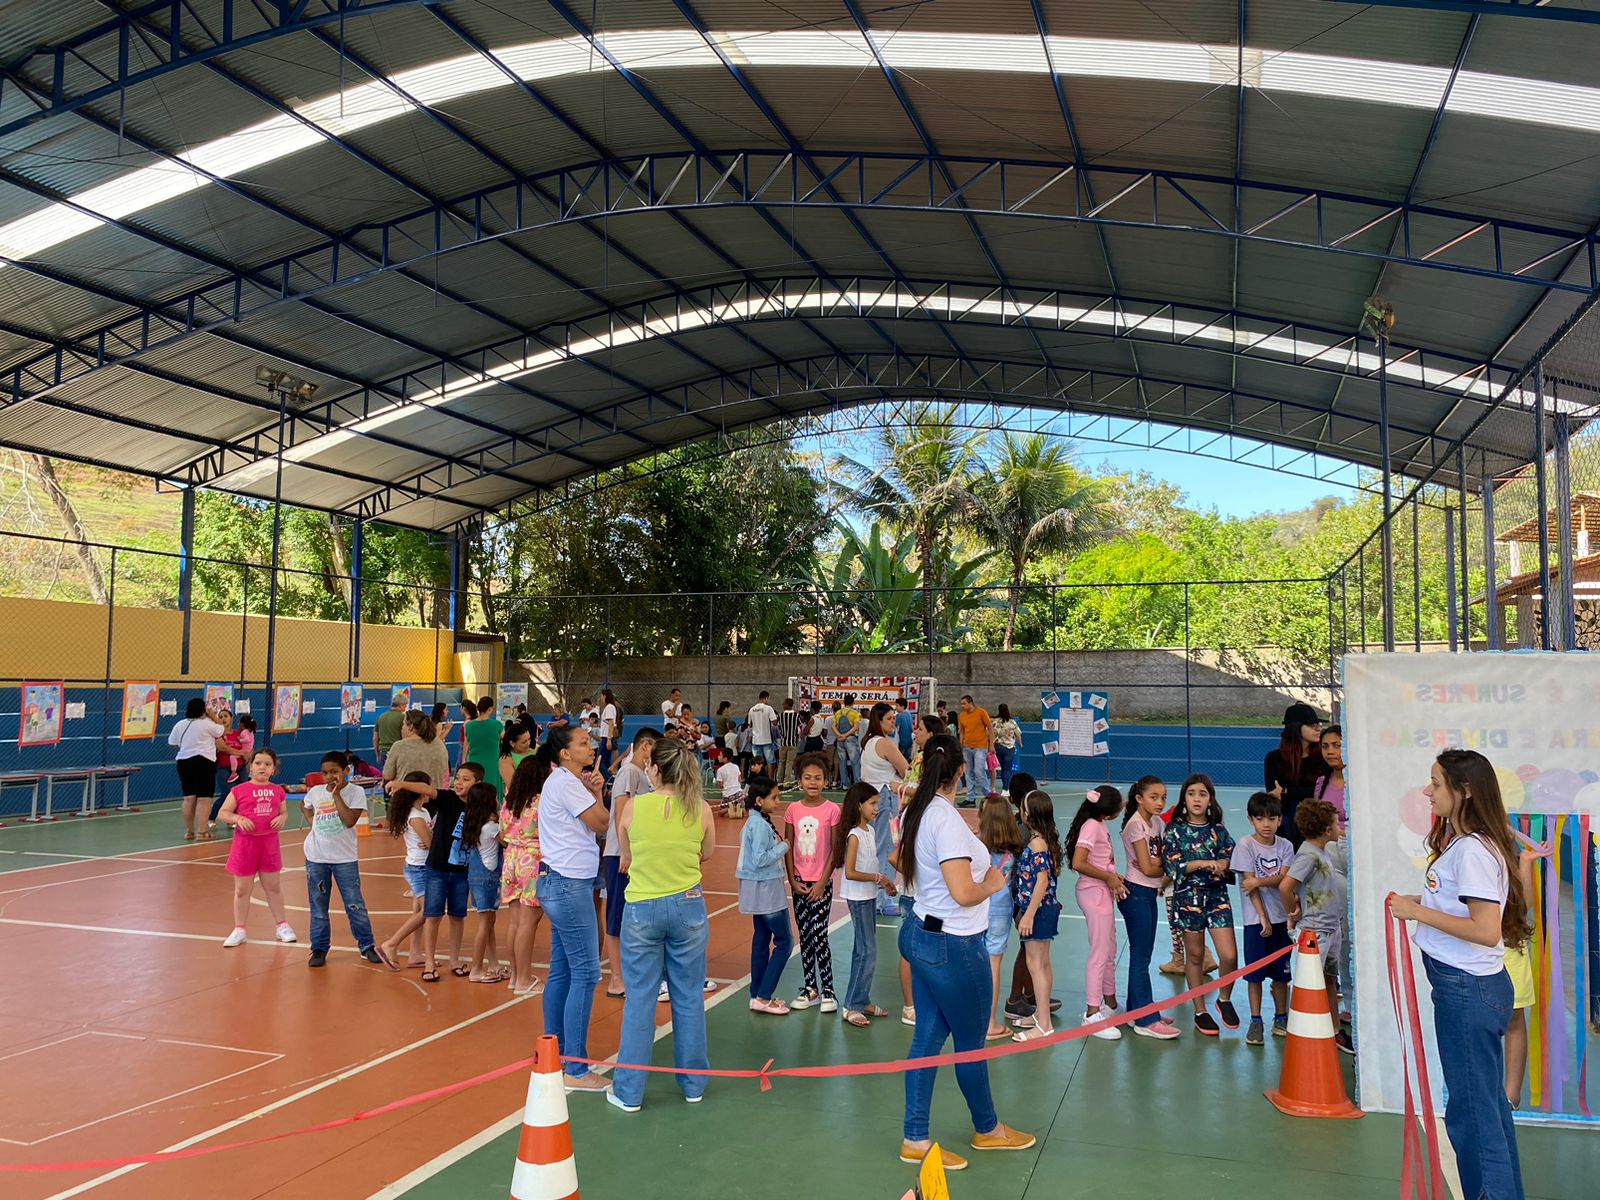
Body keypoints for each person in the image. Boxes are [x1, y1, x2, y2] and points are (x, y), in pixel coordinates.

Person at [1388, 750, 1528, 1200]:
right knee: (1486, 1109)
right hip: (1470, 988)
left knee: (1472, 1115)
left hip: (1467, 990)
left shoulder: (1472, 850)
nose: (1427, 791)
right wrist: (1425, 903)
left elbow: (1486, 930)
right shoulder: (1468, 843)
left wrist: (1416, 912)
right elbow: (1469, 909)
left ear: (1464, 790)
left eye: (1436, 783)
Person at [895, 733, 1034, 1170]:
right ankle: (987, 1129)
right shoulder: (945, 820)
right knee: (971, 1044)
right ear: (960, 770)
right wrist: (992, 881)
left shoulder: (918, 809)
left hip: (921, 933)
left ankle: (915, 1138)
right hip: (953, 945)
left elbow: (902, 861)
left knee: (927, 1037)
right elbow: (963, 892)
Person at [607, 736, 717, 1112]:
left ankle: (629, 1091)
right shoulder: (700, 808)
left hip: (643, 907)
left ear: (654, 769)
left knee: (640, 999)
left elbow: (627, 854)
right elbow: (706, 852)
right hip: (688, 906)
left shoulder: (633, 808)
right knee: (688, 996)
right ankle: (693, 1084)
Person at [534, 727, 611, 1094]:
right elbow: (601, 823)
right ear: (564, 754)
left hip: (561, 883)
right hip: (568, 885)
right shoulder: (565, 783)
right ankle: (576, 1068)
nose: (590, 746)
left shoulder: (566, 783)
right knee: (585, 973)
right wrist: (595, 795)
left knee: (563, 970)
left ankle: (555, 1055)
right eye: (583, 743)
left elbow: (596, 821)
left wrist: (595, 791)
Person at [1163, 773, 1239, 1036]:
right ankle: (1200, 1011)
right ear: (1184, 798)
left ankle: (1224, 999)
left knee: (1229, 955)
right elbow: (1172, 866)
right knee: (1194, 956)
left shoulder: (1219, 830)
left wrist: (1223, 864)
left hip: (1217, 898)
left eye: (1202, 794)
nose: (1197, 799)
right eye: (1191, 793)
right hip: (1188, 899)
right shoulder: (1174, 829)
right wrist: (1200, 864)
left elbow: (1231, 856)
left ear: (1210, 799)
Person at [1279, 797, 1352, 1054]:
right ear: (1326, 829)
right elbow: (1286, 886)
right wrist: (1293, 912)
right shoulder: (1308, 855)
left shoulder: (1322, 852)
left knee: (1329, 979)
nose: (1339, 827)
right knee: (1308, 984)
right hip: (1314, 932)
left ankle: (1333, 1031)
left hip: (1331, 928)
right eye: (1336, 824)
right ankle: (1303, 1033)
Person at [301, 751, 380, 968]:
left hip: (344, 858)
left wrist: (336, 796)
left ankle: (367, 945)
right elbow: (305, 806)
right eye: (325, 773)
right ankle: (319, 948)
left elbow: (349, 820)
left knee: (354, 904)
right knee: (318, 905)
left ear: (346, 771)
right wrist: (311, 820)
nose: (329, 777)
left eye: (334, 772)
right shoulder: (316, 792)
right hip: (316, 857)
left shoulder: (355, 792)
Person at [1231, 792, 1294, 1045]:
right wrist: (1263, 917)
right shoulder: (1245, 845)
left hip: (1282, 920)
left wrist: (1259, 881)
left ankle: (1281, 1018)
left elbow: (1284, 879)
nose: (1266, 824)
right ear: (1250, 820)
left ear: (1280, 820)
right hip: (1256, 922)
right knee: (1254, 975)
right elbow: (1249, 886)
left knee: (1282, 975)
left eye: (1271, 818)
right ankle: (1256, 1021)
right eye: (1260, 818)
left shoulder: (1286, 846)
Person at [1120, 776, 1180, 1039]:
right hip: (1137, 894)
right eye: (1154, 797)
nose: (1160, 802)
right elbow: (1147, 867)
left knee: (1141, 954)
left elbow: (1160, 859)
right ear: (1139, 798)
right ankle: (1146, 1019)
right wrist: (1168, 867)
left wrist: (1161, 865)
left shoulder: (1155, 822)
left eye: (1163, 797)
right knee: (1141, 957)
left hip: (1148, 892)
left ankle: (1136, 1011)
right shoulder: (1136, 826)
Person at [217, 748, 295, 947]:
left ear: (273, 769)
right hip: (245, 846)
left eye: (267, 764)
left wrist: (282, 818)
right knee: (242, 889)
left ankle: (282, 926)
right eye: (258, 763)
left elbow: (284, 813)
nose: (262, 767)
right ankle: (239, 929)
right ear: (250, 766)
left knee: (273, 887)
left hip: (269, 846)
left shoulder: (278, 791)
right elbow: (223, 813)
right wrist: (238, 818)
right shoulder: (239, 790)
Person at [1066, 786, 1126, 1040]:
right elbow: (1078, 862)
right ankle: (1092, 1013)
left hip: (1101, 891)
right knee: (1099, 954)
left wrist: (1112, 875)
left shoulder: (1098, 824)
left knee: (1109, 950)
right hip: (1094, 893)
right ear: (1109, 813)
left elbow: (1099, 860)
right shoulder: (1091, 826)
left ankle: (1110, 1004)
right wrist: (1108, 877)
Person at [603, 728, 659, 999]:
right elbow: (621, 813)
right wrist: (625, 851)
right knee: (617, 914)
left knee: (633, 914)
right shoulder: (629, 772)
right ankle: (616, 979)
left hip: (638, 853)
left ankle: (633, 972)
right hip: (621, 854)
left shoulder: (645, 775)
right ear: (645, 746)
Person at [786, 751, 840, 1011]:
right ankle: (811, 988)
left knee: (820, 935)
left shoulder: (832, 810)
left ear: (826, 781)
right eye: (807, 777)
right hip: (799, 883)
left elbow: (835, 850)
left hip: (821, 883)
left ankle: (829, 989)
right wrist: (792, 881)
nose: (813, 782)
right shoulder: (792, 810)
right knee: (805, 936)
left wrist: (822, 883)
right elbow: (789, 847)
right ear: (799, 781)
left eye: (818, 778)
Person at [837, 782, 894, 1028]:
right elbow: (850, 872)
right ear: (858, 806)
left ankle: (862, 999)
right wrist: (878, 878)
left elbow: (870, 866)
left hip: (868, 895)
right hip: (858, 898)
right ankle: (852, 1005)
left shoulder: (869, 831)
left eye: (877, 803)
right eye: (872, 803)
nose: (876, 808)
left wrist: (883, 883)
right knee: (866, 951)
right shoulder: (855, 835)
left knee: (866, 949)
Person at [1012, 789, 1066, 1042]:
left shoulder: (1036, 844)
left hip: (1039, 911)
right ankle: (1040, 1014)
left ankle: (1044, 1024)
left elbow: (1041, 881)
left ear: (1028, 814)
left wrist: (1028, 914)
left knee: (1035, 965)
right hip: (1046, 909)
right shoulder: (1044, 840)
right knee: (1042, 964)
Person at [737, 775, 792, 1015]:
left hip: (757, 890)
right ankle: (764, 994)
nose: (777, 802)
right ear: (759, 800)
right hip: (766, 890)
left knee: (761, 940)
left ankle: (757, 995)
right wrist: (784, 846)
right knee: (784, 942)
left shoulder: (755, 821)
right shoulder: (759, 825)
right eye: (774, 798)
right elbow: (760, 859)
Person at [418, 763, 477, 983]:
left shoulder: (479, 807)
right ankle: (429, 962)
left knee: (457, 916)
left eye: (466, 779)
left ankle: (454, 960)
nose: (459, 783)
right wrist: (398, 783)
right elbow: (426, 789)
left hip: (462, 872)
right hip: (438, 869)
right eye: (457, 778)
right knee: (432, 916)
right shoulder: (448, 798)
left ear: (477, 783)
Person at [500, 755, 547, 997]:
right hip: (532, 859)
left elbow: (502, 833)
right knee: (529, 921)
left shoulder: (510, 800)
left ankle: (515, 975)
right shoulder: (541, 801)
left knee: (515, 921)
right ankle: (524, 979)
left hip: (511, 857)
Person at [978, 793, 1023, 1041]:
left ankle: (974, 1020)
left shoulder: (977, 850)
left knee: (973, 965)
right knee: (993, 966)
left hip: (976, 909)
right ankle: (989, 1023)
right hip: (1000, 911)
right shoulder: (1013, 853)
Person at [378, 770, 434, 970]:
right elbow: (430, 843)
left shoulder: (424, 812)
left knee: (418, 910)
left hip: (422, 865)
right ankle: (391, 943)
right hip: (418, 868)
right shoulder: (415, 816)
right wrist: (432, 840)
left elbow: (430, 840)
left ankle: (415, 953)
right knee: (429, 909)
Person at [859, 701, 910, 916]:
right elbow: (907, 770)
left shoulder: (868, 742)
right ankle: (884, 899)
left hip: (871, 798)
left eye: (894, 719)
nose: (893, 723)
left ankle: (878, 896)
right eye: (889, 719)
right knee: (888, 848)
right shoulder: (885, 743)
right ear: (878, 721)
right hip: (886, 798)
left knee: (877, 846)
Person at [1503, 848, 1541, 1108]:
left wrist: (1525, 863)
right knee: (1477, 1023)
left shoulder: (1506, 849)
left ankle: (1511, 1095)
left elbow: (1524, 904)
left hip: (1509, 945)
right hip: (1475, 949)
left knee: (1514, 1018)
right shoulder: (1461, 846)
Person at [462, 778, 505, 983]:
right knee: (485, 922)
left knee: (489, 922)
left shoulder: (474, 824)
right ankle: (476, 969)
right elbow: (507, 841)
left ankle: (493, 963)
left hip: (476, 876)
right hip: (487, 878)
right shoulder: (491, 827)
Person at [1265, 702, 1325, 846]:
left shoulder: (1323, 757)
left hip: (1317, 823)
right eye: (1312, 725)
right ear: (1296, 728)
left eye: (1318, 724)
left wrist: (1287, 791)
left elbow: (1321, 790)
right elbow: (1274, 794)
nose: (1318, 728)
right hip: (1286, 827)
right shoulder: (1274, 758)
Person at [171, 697, 227, 841]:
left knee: (188, 798)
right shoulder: (207, 724)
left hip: (183, 762)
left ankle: (189, 832)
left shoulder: (180, 724)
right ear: (203, 710)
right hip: (204, 762)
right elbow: (222, 730)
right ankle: (201, 832)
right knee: (204, 798)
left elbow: (173, 743)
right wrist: (213, 716)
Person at [382, 711, 450, 830]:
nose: (402, 729)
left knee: (408, 836)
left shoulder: (399, 746)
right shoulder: (439, 744)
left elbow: (387, 775)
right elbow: (445, 769)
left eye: (403, 725)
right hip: (434, 798)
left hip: (407, 801)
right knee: (430, 834)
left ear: (411, 727)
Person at [955, 695, 994, 806]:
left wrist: (991, 744)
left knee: (979, 770)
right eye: (961, 704)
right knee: (968, 772)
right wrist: (961, 745)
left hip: (980, 746)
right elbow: (961, 731)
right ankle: (970, 798)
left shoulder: (981, 712)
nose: (962, 706)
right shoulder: (962, 716)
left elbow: (990, 727)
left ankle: (988, 794)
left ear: (970, 703)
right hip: (967, 747)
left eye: (964, 703)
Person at [464, 695, 504, 796]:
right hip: (492, 762)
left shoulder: (469, 725)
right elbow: (506, 740)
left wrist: (463, 759)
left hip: (474, 762)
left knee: (475, 789)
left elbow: (466, 744)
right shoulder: (497, 725)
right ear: (490, 709)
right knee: (491, 789)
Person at [1314, 724, 1347, 825]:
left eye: (1337, 745)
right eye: (1325, 747)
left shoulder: (1364, 781)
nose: (1330, 751)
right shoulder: (1321, 781)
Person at [498, 719, 535, 796]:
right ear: (512, 743)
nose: (528, 743)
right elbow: (513, 787)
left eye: (529, 739)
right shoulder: (506, 759)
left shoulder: (533, 752)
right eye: (524, 742)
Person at [833, 693, 862, 789]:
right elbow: (856, 727)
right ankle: (857, 784)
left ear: (844, 702)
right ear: (853, 703)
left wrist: (839, 735)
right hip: (851, 739)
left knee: (842, 762)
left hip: (840, 740)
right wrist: (846, 735)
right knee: (855, 762)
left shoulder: (838, 713)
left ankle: (844, 784)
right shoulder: (855, 713)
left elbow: (833, 726)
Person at [992, 705, 1022, 791]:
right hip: (1009, 748)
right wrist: (1020, 743)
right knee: (1007, 768)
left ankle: (1005, 784)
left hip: (998, 746)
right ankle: (1005, 788)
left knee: (1003, 767)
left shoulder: (995, 721)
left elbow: (991, 733)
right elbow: (1018, 734)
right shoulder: (1012, 722)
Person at [748, 690, 778, 770]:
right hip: (766, 739)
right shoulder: (768, 708)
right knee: (770, 762)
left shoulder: (752, 709)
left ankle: (759, 776)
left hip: (755, 740)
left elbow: (749, 724)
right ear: (766, 698)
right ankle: (770, 777)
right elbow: (774, 722)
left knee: (757, 762)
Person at [776, 698, 803, 787]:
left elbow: (779, 728)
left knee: (781, 762)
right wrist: (797, 738)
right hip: (792, 743)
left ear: (788, 705)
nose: (783, 705)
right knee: (789, 763)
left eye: (784, 704)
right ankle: (786, 783)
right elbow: (799, 729)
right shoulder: (796, 715)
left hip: (783, 743)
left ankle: (779, 782)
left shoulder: (780, 716)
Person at [374, 693, 406, 766]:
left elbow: (375, 738)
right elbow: (405, 737)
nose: (405, 709)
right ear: (400, 705)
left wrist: (377, 754)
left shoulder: (381, 717)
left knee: (385, 772)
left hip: (383, 752)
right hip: (397, 752)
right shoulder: (403, 718)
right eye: (405, 706)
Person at [597, 688, 621, 779]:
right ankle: (609, 779)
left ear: (605, 696)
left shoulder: (610, 707)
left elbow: (611, 723)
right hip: (605, 737)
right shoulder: (608, 707)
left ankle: (608, 779)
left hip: (606, 737)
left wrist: (609, 739)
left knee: (600, 762)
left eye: (601, 696)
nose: (600, 698)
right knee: (606, 762)